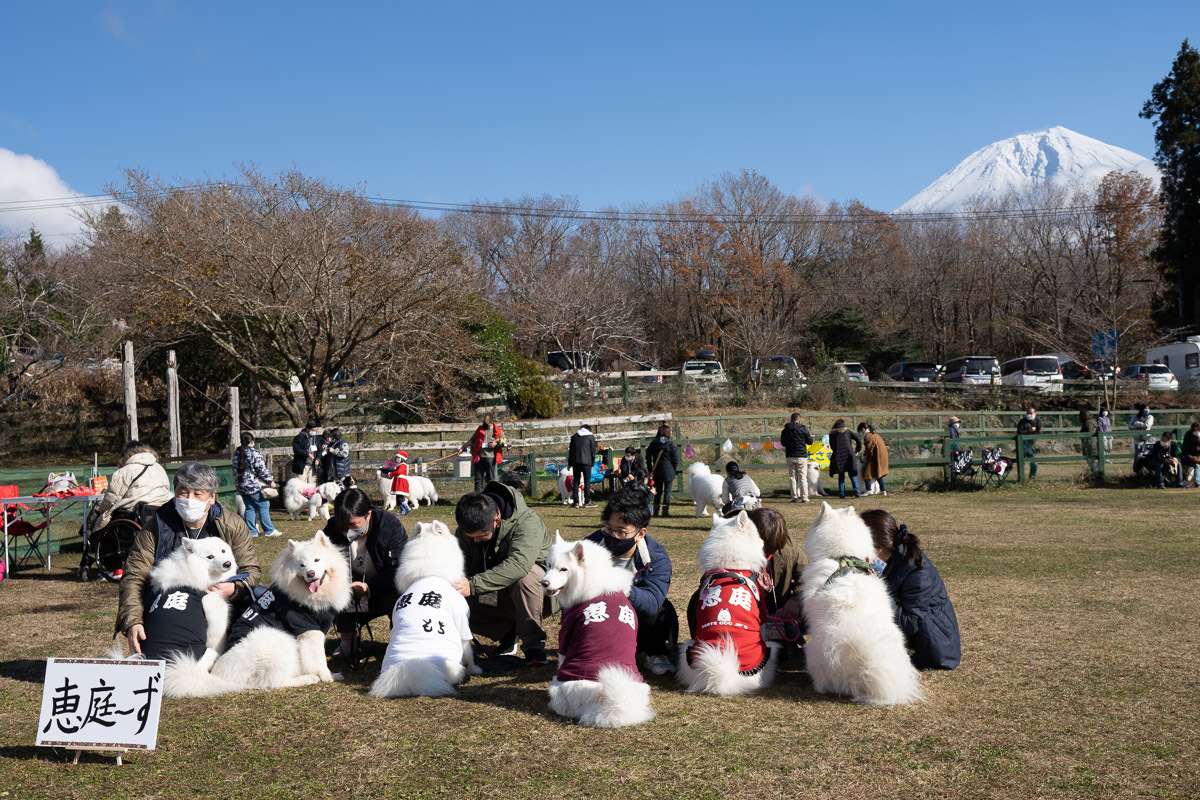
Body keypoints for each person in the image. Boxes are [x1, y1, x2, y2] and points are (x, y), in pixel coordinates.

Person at [115, 462, 261, 655]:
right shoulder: (156, 526)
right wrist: (132, 621)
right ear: (174, 494)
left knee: (262, 595)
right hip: (171, 599)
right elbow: (134, 576)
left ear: (212, 497)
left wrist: (234, 589)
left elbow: (251, 570)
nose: (189, 499)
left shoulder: (232, 525)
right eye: (183, 492)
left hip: (220, 595)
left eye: (197, 494)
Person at [453, 481, 552, 665]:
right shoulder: (468, 528)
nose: (475, 541)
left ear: (496, 518)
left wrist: (472, 585)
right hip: (495, 593)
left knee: (526, 577)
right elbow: (458, 561)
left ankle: (533, 647)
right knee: (452, 595)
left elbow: (518, 565)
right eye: (470, 537)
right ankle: (508, 633)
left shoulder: (526, 521)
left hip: (538, 594)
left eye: (481, 537)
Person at [584, 486, 677, 675]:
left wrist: (621, 589)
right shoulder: (590, 546)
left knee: (660, 610)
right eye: (609, 529)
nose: (613, 536)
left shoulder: (656, 558)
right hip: (600, 616)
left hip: (637, 620)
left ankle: (652, 652)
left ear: (640, 534)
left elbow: (651, 602)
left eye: (621, 532)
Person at [686, 507, 807, 646]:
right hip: (741, 606)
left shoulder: (785, 542)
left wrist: (796, 599)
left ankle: (792, 633)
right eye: (763, 547)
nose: (766, 554)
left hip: (778, 607)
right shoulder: (731, 538)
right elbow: (711, 581)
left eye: (772, 550)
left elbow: (809, 572)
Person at [861, 509, 960, 671]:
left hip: (933, 647)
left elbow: (910, 623)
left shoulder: (917, 569)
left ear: (876, 545)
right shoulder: (887, 560)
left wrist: (876, 587)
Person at [323, 487, 408, 663]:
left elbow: (399, 568)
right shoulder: (332, 529)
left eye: (354, 525)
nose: (347, 531)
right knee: (337, 589)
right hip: (351, 587)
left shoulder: (390, 526)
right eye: (343, 526)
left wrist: (369, 587)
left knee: (400, 594)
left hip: (385, 587)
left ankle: (399, 641)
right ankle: (348, 640)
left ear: (368, 514)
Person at [94, 440, 173, 531]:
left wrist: (101, 512)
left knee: (99, 515)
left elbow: (111, 500)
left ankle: (88, 539)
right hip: (160, 513)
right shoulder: (160, 469)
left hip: (134, 515)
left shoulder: (125, 471)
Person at [233, 432, 278, 537]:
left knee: (250, 508)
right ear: (251, 442)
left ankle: (252, 532)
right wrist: (270, 481)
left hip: (242, 486)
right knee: (263, 506)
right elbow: (261, 470)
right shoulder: (254, 453)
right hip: (253, 486)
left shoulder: (236, 453)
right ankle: (269, 530)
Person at [644, 424, 678, 518]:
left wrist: (651, 469)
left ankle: (655, 512)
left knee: (657, 491)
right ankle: (665, 512)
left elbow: (648, 457)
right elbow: (675, 459)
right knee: (667, 491)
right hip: (668, 470)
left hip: (657, 471)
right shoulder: (670, 444)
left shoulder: (653, 443)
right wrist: (673, 469)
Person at [463, 414, 504, 492]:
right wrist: (463, 447)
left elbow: (506, 443)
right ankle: (478, 499)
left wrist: (496, 444)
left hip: (490, 458)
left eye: (485, 421)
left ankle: (491, 498)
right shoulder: (480, 429)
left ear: (491, 422)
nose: (483, 422)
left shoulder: (498, 431)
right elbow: (472, 440)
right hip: (479, 457)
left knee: (491, 480)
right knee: (478, 480)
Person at [781, 412, 814, 503]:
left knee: (792, 477)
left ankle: (794, 497)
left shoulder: (785, 430)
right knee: (803, 477)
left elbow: (783, 443)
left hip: (790, 455)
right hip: (801, 455)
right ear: (799, 420)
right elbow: (810, 442)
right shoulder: (803, 429)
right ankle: (804, 497)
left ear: (791, 419)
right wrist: (809, 437)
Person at [828, 419, 862, 498]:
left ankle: (842, 494)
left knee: (841, 475)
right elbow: (858, 440)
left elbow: (832, 446)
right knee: (852, 474)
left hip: (838, 456)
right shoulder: (847, 432)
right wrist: (857, 450)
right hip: (849, 455)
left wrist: (836, 450)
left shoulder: (832, 434)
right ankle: (857, 491)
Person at [567, 423, 598, 508]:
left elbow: (571, 451)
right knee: (587, 482)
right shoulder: (590, 437)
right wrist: (592, 463)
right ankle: (587, 502)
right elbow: (592, 451)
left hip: (576, 462)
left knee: (576, 481)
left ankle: (575, 502)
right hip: (586, 463)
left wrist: (569, 463)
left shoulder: (574, 437)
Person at [858, 422, 889, 496]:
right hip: (880, 456)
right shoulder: (875, 434)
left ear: (863, 429)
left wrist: (865, 457)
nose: (861, 433)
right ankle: (883, 490)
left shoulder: (868, 436)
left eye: (860, 431)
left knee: (865, 471)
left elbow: (869, 449)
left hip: (876, 456)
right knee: (878, 473)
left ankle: (869, 490)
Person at [1015, 406, 1042, 479]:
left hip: (1031, 445)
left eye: (1031, 413)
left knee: (1034, 463)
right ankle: (1021, 478)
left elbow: (1038, 432)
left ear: (1035, 414)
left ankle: (1032, 477)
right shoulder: (1022, 422)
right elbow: (1020, 433)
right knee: (1021, 463)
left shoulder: (1038, 421)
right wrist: (1030, 430)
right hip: (1022, 445)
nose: (1029, 414)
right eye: (1027, 413)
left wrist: (1030, 432)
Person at [1183, 423, 1200, 488]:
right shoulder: (1188, 436)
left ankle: (1195, 483)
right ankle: (1196, 484)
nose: (1197, 432)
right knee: (1196, 466)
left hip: (1198, 458)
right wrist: (1190, 457)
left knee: (1197, 465)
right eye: (1195, 430)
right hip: (1190, 458)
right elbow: (1184, 450)